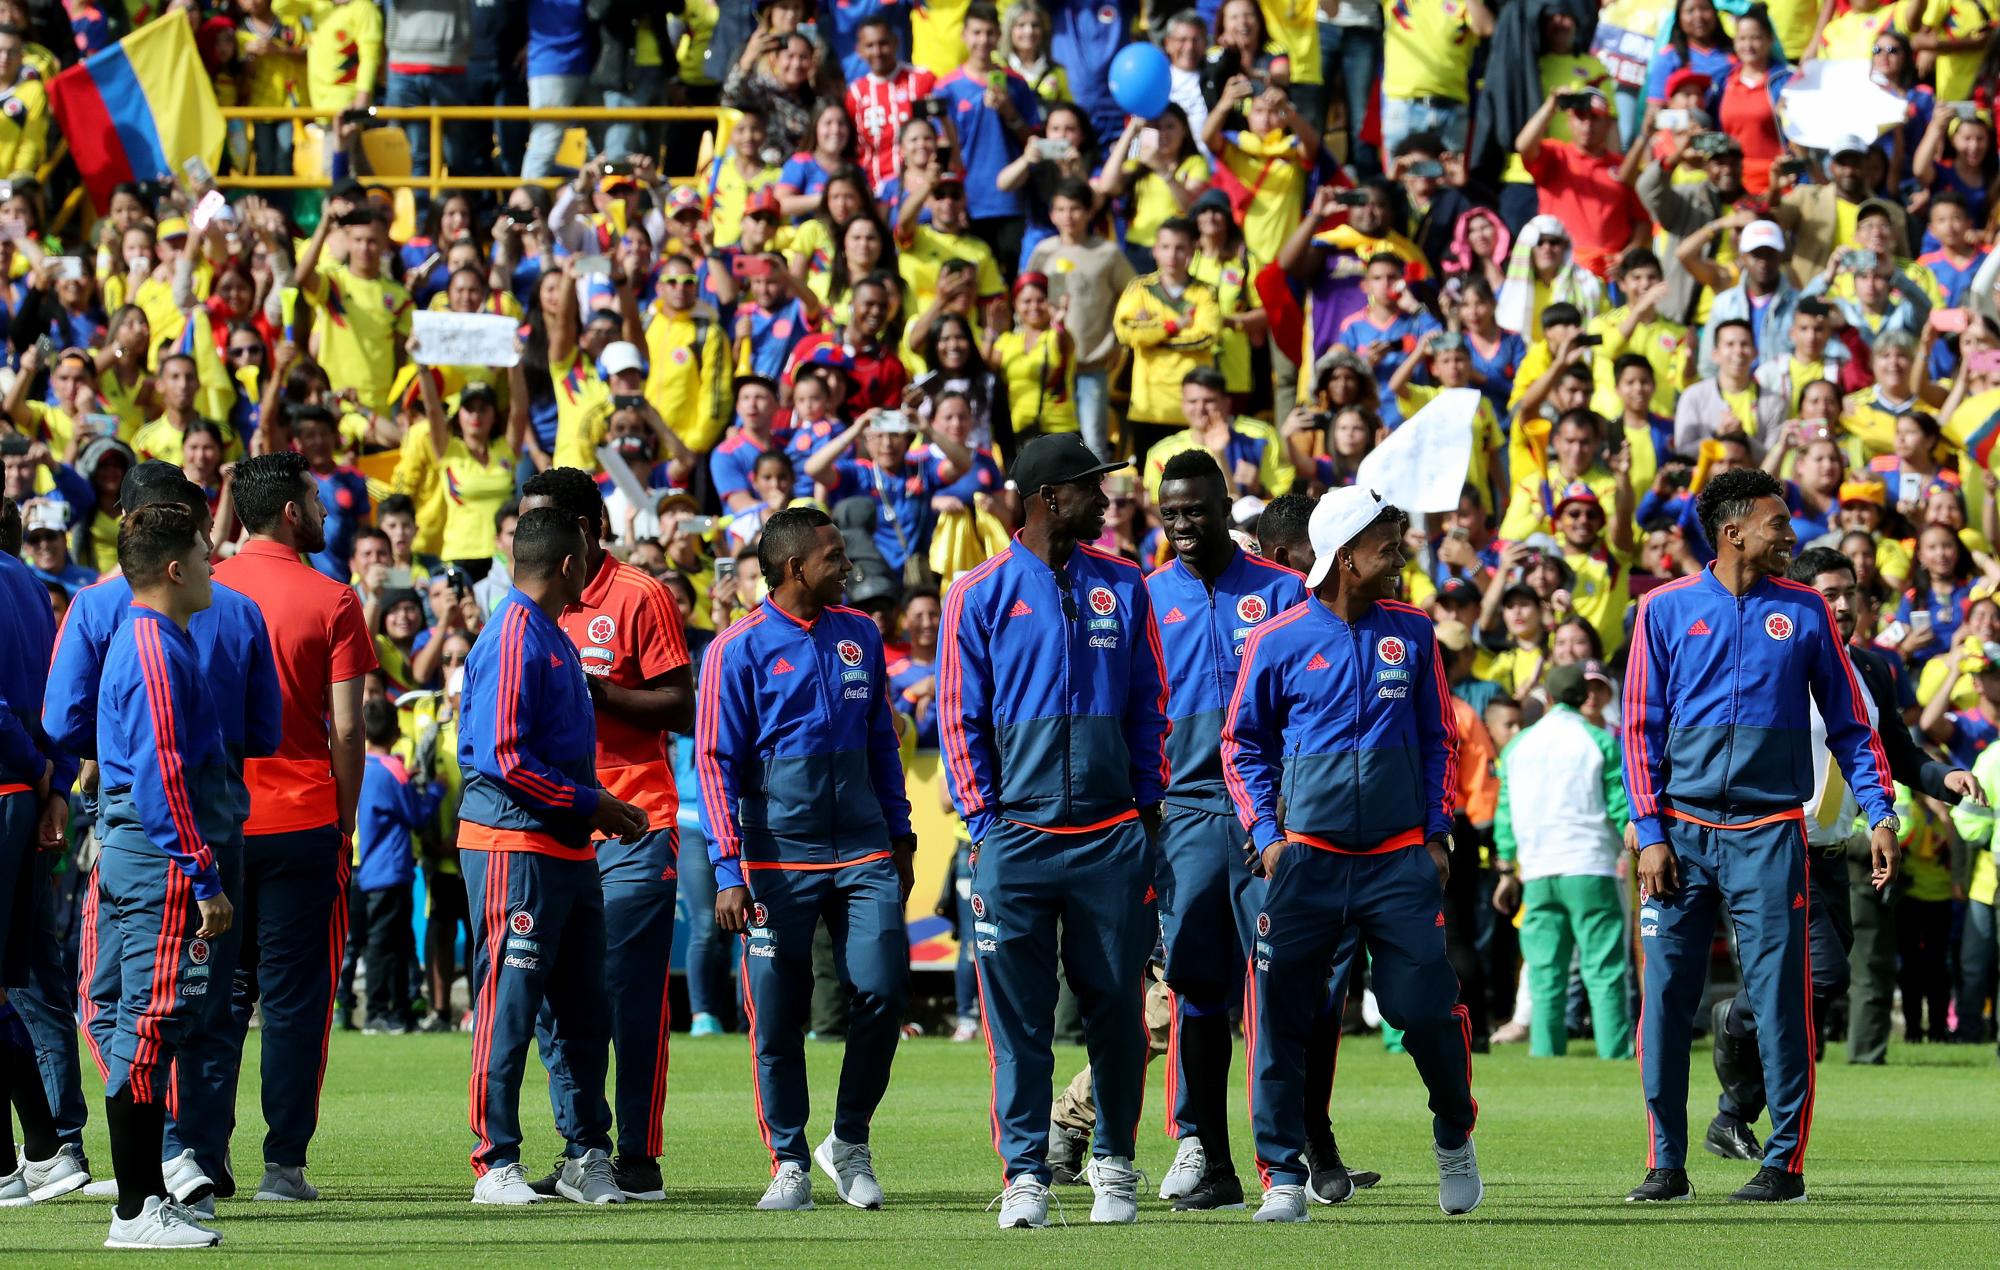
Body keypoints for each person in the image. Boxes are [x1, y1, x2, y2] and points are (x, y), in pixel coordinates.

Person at [1622, 468, 1897, 1205]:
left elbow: (1851, 726)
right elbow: (1638, 731)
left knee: (1783, 1003)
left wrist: (1881, 812)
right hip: (1678, 835)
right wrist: (1649, 832)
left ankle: (1784, 1167)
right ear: (1734, 530)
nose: (1792, 536)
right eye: (1779, 524)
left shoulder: (1806, 611)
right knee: (1667, 1002)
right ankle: (1665, 1165)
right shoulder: (1662, 609)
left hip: (1773, 832)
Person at [1224, 485, 1482, 1223]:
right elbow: (1242, 745)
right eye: (1384, 545)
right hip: (1306, 862)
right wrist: (1270, 841)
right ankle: (1281, 1174)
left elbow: (1442, 739)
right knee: (1281, 1015)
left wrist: (1436, 836)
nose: (1396, 556)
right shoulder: (1276, 640)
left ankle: (1454, 1134)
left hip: (1399, 862)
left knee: (1421, 1008)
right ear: (1343, 557)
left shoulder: (1416, 631)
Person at [939, 433, 1169, 1229]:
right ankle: (1026, 1174)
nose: (1106, 501)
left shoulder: (1125, 585)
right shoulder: (978, 593)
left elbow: (1149, 705)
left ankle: (1114, 1166)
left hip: (1111, 840)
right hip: (1018, 842)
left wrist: (1143, 813)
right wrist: (987, 824)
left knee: (1115, 1011)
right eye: (1090, 488)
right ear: (1047, 498)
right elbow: (958, 718)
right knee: (1020, 1023)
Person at [44, 463, 281, 1209]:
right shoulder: (222, 618)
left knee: (113, 1000)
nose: (218, 558)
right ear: (179, 545)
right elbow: (259, 733)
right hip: (195, 836)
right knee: (200, 1010)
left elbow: (62, 723)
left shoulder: (100, 610)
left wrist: (108, 755)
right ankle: (181, 1165)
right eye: (209, 545)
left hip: (134, 830)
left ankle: (150, 1167)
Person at [1707, 546, 1976, 1159]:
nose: (1844, 604)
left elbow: (1897, 754)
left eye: (1850, 592)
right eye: (1829, 593)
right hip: (1773, 845)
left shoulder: (1874, 670)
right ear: (1800, 599)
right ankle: (1738, 1025)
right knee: (1821, 974)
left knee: (1812, 986)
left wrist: (1943, 779)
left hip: (1831, 855)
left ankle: (1732, 1104)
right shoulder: (1768, 661)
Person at [695, 506, 916, 1212]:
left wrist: (902, 834)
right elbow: (714, 762)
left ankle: (848, 1139)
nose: (847, 566)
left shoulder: (860, 635)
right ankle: (788, 1160)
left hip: (864, 850)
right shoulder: (737, 649)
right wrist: (729, 869)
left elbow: (883, 741)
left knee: (881, 991)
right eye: (833, 556)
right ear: (795, 568)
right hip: (775, 860)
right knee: (778, 1013)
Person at [456, 507, 649, 1205]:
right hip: (515, 844)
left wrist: (594, 807)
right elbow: (504, 757)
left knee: (581, 1008)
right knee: (510, 1004)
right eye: (590, 556)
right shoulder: (514, 636)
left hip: (564, 847)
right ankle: (494, 1160)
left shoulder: (550, 637)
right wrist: (588, 802)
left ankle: (584, 1152)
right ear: (570, 563)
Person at [517, 468, 693, 1203]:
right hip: (554, 824)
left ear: (583, 529)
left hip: (634, 821)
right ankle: (582, 1145)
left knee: (625, 994)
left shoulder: (640, 595)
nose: (528, 537)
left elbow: (682, 704)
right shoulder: (527, 606)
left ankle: (639, 1158)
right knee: (555, 994)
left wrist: (604, 693)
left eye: (542, 522)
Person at [210, 451, 377, 1201]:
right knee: (294, 1001)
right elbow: (347, 730)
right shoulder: (333, 599)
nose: (325, 512)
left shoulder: (202, 585)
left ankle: (199, 1159)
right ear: (289, 512)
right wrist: (343, 822)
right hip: (303, 818)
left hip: (214, 821)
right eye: (316, 501)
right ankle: (284, 1166)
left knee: (211, 995)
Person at [1144, 450, 1308, 1211]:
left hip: (1267, 817)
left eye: (1195, 510)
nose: (1182, 524)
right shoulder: (1145, 602)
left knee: (1276, 993)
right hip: (1186, 816)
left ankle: (1286, 1166)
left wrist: (1282, 812)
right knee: (1195, 991)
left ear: (1222, 505)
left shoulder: (1279, 592)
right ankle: (1206, 1157)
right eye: (1169, 511)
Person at [87, 503, 234, 1249]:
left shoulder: (149, 638)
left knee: (136, 1024)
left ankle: (142, 1202)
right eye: (207, 555)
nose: (216, 565)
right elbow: (162, 777)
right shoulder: (152, 648)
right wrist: (203, 875)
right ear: (175, 570)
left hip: (142, 853)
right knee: (149, 1026)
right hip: (160, 859)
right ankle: (138, 1210)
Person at [1491, 662, 1633, 1060]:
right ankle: (1615, 1054)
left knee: (1544, 973)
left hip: (1537, 870)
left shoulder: (1518, 746)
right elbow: (1620, 807)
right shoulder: (1600, 741)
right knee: (1604, 971)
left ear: (1548, 698)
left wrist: (1506, 866)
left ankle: (1546, 1055)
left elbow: (1505, 812)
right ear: (1583, 698)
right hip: (1591, 866)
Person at [354, 697, 438, 1034]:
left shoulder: (360, 765)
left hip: (368, 866)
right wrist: (435, 792)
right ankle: (378, 1011)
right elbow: (416, 816)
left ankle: (399, 1012)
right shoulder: (395, 771)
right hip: (391, 870)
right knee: (386, 945)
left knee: (393, 943)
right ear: (397, 730)